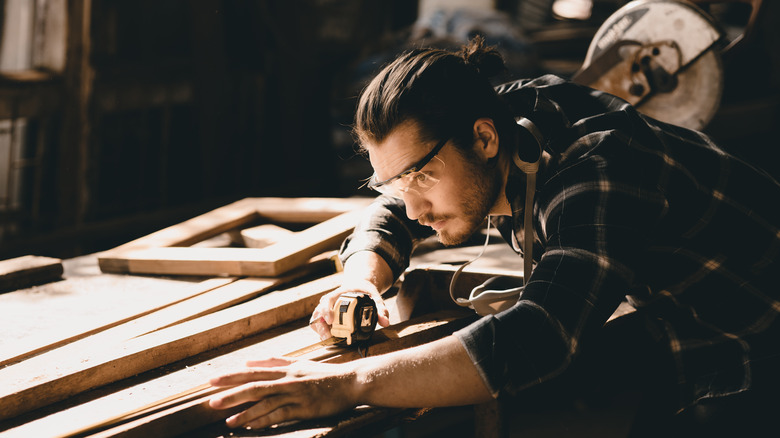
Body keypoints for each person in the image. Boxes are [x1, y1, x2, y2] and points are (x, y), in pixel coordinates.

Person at [208, 37, 780, 436]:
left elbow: (541, 334)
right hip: (694, 330)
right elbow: (391, 210)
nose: (414, 203)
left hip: (757, 342)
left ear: (483, 140)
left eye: (422, 176)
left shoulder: (597, 166)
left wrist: (345, 383)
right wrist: (360, 283)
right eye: (396, 179)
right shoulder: (503, 121)